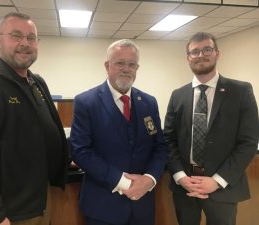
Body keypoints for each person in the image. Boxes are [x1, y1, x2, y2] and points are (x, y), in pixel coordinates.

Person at [0, 12, 68, 225]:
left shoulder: (36, 82)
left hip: (38, 203)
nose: (25, 43)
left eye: (31, 38)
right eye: (16, 36)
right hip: (6, 213)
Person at [164, 31, 259, 225]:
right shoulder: (178, 95)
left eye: (207, 49)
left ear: (217, 53)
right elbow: (168, 139)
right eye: (195, 51)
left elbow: (248, 142)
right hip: (185, 187)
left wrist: (216, 180)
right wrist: (180, 176)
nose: (201, 55)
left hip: (223, 187)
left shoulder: (241, 91)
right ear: (188, 58)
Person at [70, 39, 167, 225]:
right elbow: (80, 151)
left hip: (142, 205)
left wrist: (149, 179)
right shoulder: (86, 102)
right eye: (120, 63)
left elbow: (160, 147)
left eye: (132, 64)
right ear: (107, 66)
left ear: (137, 68)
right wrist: (124, 183)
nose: (126, 69)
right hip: (102, 206)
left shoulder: (148, 102)